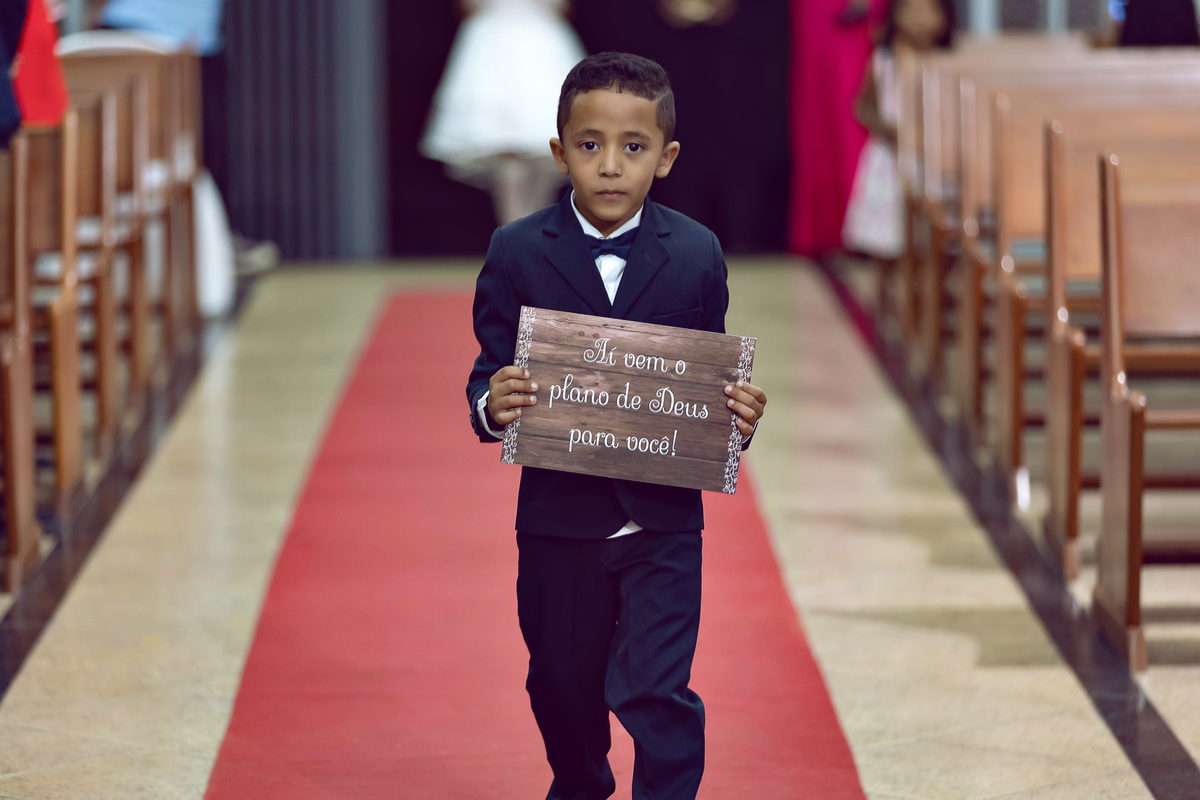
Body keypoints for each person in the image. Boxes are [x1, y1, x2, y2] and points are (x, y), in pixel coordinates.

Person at [466, 52, 767, 800]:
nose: (609, 165)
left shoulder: (696, 253)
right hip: (559, 521)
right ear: (559, 152)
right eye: (589, 145)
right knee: (560, 686)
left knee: (658, 690)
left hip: (662, 523)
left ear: (665, 157)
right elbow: (488, 369)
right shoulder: (516, 251)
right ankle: (581, 783)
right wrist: (491, 404)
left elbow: (707, 381)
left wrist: (735, 419)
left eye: (632, 147)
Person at [422, 0, 585, 225]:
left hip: (511, 43)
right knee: (523, 152)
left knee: (540, 152)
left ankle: (522, 231)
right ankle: (521, 232)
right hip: (530, 43)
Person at [841, 0, 952, 308]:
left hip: (932, 160)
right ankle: (885, 295)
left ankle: (926, 299)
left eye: (928, 10)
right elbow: (862, 107)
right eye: (911, 10)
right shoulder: (883, 62)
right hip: (890, 160)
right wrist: (888, 130)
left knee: (927, 236)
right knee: (888, 233)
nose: (920, 18)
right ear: (895, 16)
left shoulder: (947, 65)